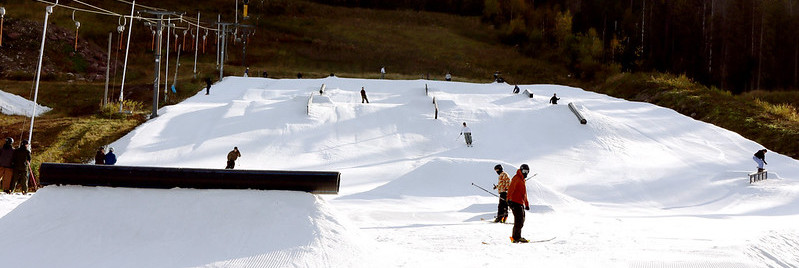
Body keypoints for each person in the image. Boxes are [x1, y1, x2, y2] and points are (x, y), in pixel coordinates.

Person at [508, 164, 531, 243]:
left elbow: (524, 193)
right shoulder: (516, 178)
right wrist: (509, 200)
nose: (525, 173)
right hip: (514, 202)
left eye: (527, 171)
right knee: (519, 220)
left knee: (521, 220)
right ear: (521, 170)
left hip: (520, 203)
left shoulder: (522, 180)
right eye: (524, 171)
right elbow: (511, 188)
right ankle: (516, 237)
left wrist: (526, 204)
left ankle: (517, 236)